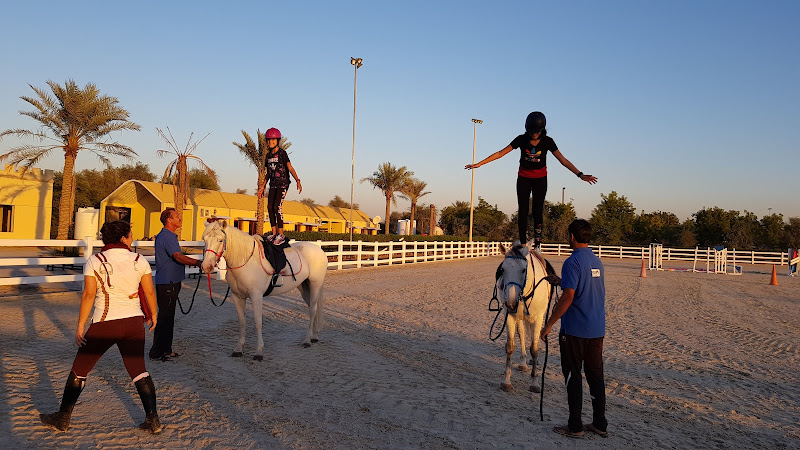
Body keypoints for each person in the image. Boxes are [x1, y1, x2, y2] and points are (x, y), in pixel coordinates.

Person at [40, 221, 164, 434]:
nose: (133, 237)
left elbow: (88, 294)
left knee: (80, 370)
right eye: (131, 234)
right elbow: (149, 292)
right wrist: (153, 313)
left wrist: (80, 326)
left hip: (105, 321)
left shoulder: (95, 260)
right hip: (134, 322)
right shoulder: (138, 259)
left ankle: (63, 418)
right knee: (138, 370)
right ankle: (153, 421)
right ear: (123, 238)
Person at [465, 111, 597, 251]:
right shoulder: (521, 139)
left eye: (537, 132)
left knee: (537, 211)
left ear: (542, 130)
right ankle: (523, 243)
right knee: (523, 210)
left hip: (540, 180)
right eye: (532, 132)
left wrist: (580, 174)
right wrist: (480, 163)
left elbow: (562, 160)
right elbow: (500, 153)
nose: (534, 135)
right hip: (524, 179)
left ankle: (538, 245)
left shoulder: (548, 141)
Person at [540, 219, 607, 438]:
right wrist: (560, 281)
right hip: (596, 329)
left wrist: (549, 324)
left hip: (575, 331)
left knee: (573, 376)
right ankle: (599, 423)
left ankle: (575, 426)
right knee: (596, 376)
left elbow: (569, 296)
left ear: (571, 237)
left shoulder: (572, 262)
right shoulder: (597, 261)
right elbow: (582, 285)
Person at [148, 207, 202, 361]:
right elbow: (178, 257)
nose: (180, 219)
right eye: (177, 216)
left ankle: (165, 349)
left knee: (168, 317)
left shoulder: (168, 236)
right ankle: (157, 351)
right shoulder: (168, 237)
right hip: (168, 282)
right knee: (165, 317)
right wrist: (198, 263)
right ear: (169, 219)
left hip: (170, 281)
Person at [256, 127, 301, 246]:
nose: (270, 142)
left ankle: (281, 234)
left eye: (273, 140)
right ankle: (274, 233)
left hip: (283, 184)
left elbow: (290, 167)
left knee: (277, 207)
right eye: (269, 140)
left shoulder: (282, 153)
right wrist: (262, 187)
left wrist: (297, 180)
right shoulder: (268, 156)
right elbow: (268, 173)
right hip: (273, 185)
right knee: (270, 207)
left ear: (278, 141)